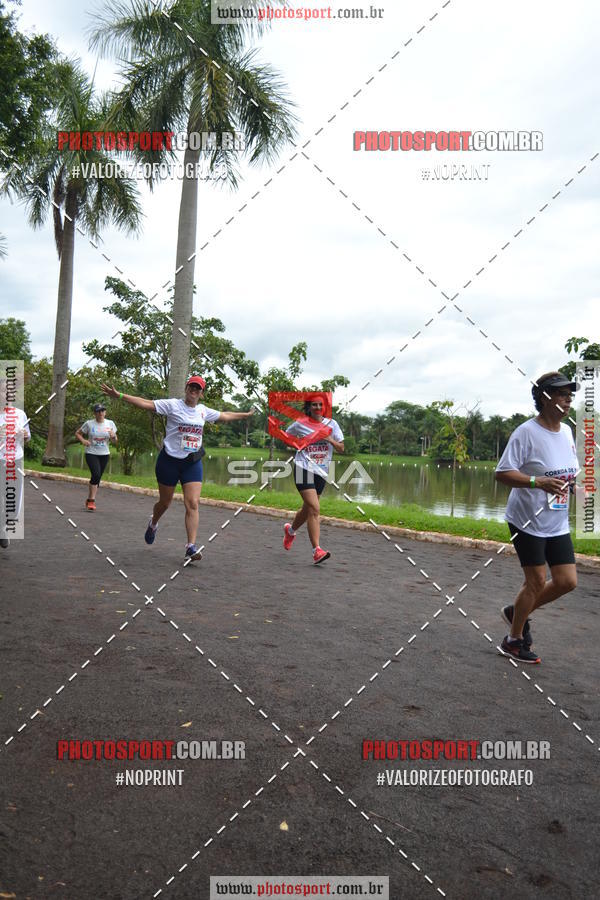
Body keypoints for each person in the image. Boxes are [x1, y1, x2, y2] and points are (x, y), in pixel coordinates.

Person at [101, 376, 253, 561]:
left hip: (192, 463)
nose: (194, 390)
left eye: (198, 388)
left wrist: (244, 415)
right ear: (186, 388)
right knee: (165, 503)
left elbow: (225, 416)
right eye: (192, 387)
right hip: (169, 461)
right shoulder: (173, 405)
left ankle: (191, 547)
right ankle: (153, 522)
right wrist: (121, 395)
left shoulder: (203, 411)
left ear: (201, 393)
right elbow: (146, 404)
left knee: (193, 503)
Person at [495, 372, 580, 664]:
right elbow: (502, 473)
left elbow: (567, 474)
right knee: (535, 581)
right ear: (544, 397)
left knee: (567, 581)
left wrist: (575, 489)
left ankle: (516, 612)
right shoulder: (526, 433)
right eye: (561, 394)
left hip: (555, 521)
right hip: (526, 520)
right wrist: (536, 482)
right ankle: (514, 639)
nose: (568, 399)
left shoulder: (567, 432)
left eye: (570, 394)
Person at [282, 395, 344, 564]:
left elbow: (341, 448)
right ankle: (316, 550)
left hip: (321, 471)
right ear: (309, 407)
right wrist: (301, 442)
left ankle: (291, 530)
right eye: (314, 405)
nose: (317, 407)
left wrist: (329, 439)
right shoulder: (300, 423)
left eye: (320, 405)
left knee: (308, 509)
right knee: (314, 509)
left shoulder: (332, 424)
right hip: (303, 468)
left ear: (324, 407)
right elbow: (286, 438)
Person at [0, 399, 30, 549]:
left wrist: (24, 434)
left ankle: (2, 528)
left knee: (13, 508)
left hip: (15, 461)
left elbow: (27, 438)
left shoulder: (20, 414)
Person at [75, 403, 118, 510]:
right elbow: (78, 433)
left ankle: (90, 499)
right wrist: (83, 440)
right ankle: (91, 500)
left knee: (97, 478)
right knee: (96, 474)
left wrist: (113, 437)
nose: (101, 413)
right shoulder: (89, 424)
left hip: (104, 454)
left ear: (105, 412)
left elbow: (115, 440)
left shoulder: (110, 423)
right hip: (91, 453)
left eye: (103, 411)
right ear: (94, 413)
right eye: (98, 411)